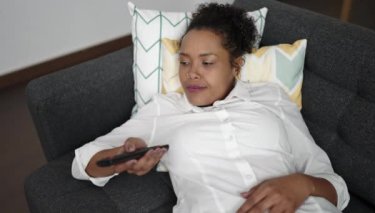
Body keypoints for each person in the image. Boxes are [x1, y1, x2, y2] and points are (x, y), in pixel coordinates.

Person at [72, 3, 349, 213]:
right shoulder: (165, 110)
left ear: (236, 65)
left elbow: (335, 187)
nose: (191, 73)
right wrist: (120, 156)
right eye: (184, 62)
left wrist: (303, 184)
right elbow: (84, 163)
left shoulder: (271, 97)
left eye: (207, 62)